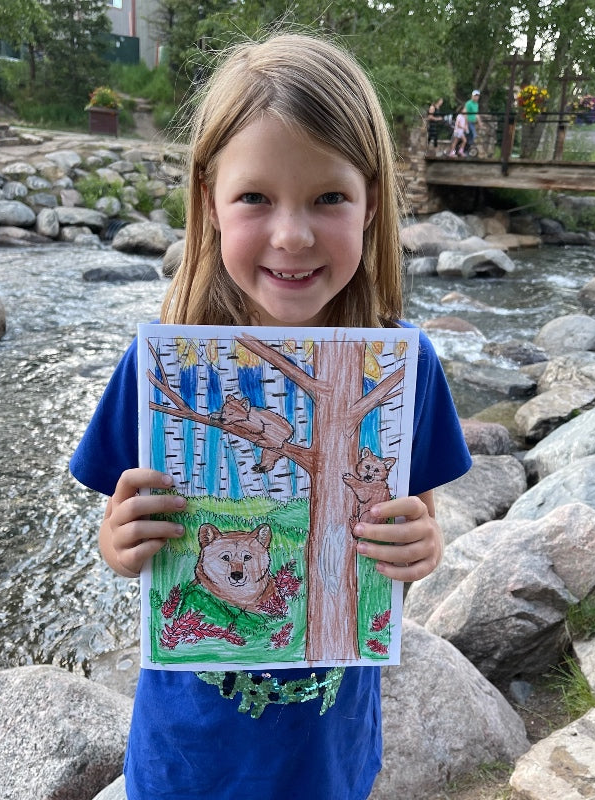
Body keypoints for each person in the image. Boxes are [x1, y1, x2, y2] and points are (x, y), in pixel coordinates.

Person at [70, 33, 471, 800]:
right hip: (186, 762)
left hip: (326, 759)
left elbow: (415, 521)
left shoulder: (404, 369)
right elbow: (117, 532)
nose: (292, 234)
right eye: (255, 197)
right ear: (209, 202)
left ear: (371, 201)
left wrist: (420, 544)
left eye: (329, 198)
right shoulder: (159, 368)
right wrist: (120, 544)